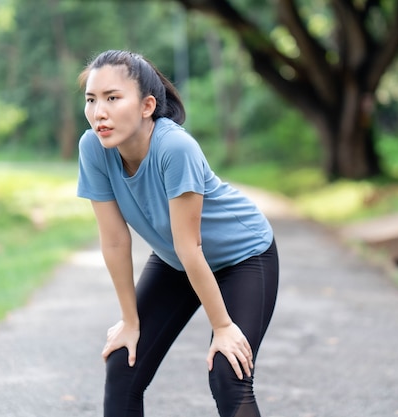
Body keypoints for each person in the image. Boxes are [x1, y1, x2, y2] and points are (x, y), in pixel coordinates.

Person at [76, 49, 279, 417]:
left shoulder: (175, 147)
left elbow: (191, 246)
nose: (98, 112)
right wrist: (130, 321)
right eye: (91, 100)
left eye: (112, 98)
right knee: (124, 363)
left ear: (147, 106)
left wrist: (222, 326)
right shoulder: (93, 148)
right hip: (177, 261)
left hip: (243, 256)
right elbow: (115, 241)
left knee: (228, 372)